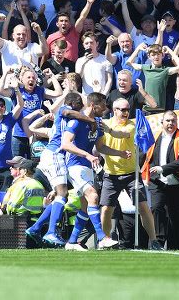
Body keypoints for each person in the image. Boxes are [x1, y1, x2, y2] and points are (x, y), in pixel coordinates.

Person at [61, 92, 130, 251]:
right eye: (103, 105)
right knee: (93, 196)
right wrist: (87, 154)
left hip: (87, 166)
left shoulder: (97, 122)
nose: (106, 109)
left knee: (86, 206)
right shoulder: (76, 121)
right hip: (75, 165)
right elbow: (65, 144)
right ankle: (103, 237)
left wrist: (119, 153)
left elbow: (100, 147)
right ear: (93, 105)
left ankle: (72, 242)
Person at [26, 92, 96, 245]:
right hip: (55, 154)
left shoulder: (69, 118)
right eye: (80, 106)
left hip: (56, 157)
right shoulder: (65, 110)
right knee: (62, 194)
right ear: (74, 103)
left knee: (60, 195)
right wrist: (90, 119)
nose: (81, 110)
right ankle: (51, 232)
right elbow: (67, 111)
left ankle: (35, 228)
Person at [100, 98, 163, 250]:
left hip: (131, 174)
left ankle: (153, 241)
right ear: (114, 110)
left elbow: (120, 134)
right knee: (107, 209)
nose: (125, 113)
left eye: (127, 110)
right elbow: (100, 147)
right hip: (111, 174)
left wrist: (105, 128)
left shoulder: (131, 126)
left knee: (143, 206)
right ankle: (105, 239)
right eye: (122, 110)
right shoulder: (105, 124)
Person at [141, 110, 179, 250]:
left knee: (175, 217)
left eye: (173, 121)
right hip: (158, 183)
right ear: (162, 123)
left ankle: (174, 248)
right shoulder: (154, 137)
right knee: (157, 208)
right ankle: (158, 242)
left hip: (178, 183)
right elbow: (146, 157)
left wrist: (162, 169)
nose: (171, 123)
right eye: (168, 120)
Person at [128, 43, 179, 111]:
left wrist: (169, 51)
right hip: (147, 108)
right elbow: (129, 63)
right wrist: (138, 49)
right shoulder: (146, 68)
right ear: (149, 57)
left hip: (160, 109)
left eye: (158, 54)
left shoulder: (165, 70)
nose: (156, 57)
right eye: (153, 55)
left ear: (162, 55)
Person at [76, 31, 113, 96]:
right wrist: (85, 62)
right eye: (86, 43)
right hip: (86, 96)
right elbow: (78, 79)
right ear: (83, 45)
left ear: (97, 44)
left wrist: (104, 95)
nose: (89, 45)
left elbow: (109, 80)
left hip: (102, 95)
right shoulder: (80, 61)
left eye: (91, 42)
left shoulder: (105, 59)